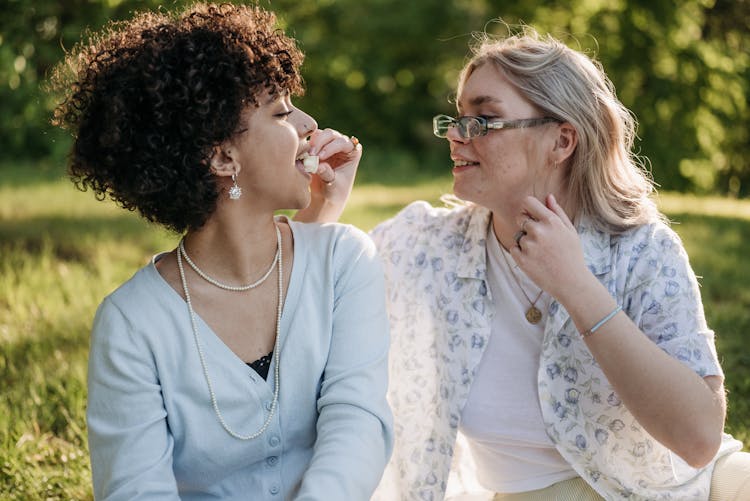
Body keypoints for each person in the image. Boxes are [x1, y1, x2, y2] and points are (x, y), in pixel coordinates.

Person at [309, 27, 750, 500]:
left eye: (483, 120)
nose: (456, 136)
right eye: (457, 118)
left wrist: (576, 286)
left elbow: (700, 440)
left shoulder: (643, 250)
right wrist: (323, 207)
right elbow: (305, 307)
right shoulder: (424, 247)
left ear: (561, 141)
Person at [50, 3, 392, 500]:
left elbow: (357, 424)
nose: (309, 123)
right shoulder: (131, 323)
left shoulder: (344, 260)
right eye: (281, 111)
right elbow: (135, 490)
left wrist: (318, 218)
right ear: (221, 156)